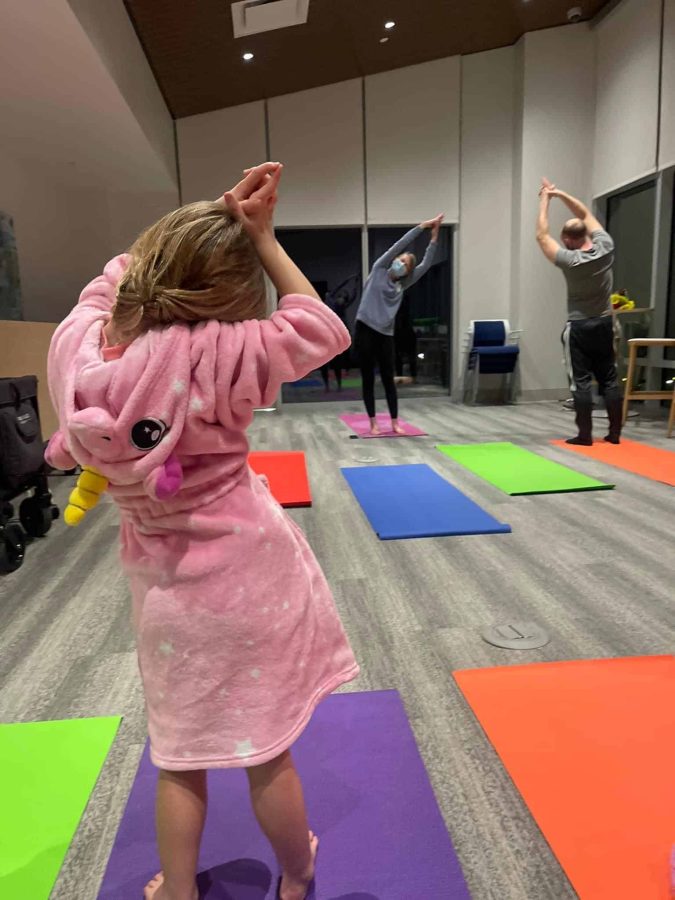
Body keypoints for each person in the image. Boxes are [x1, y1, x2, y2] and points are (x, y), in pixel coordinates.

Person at [46, 162, 359, 900]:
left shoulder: (76, 349)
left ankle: (179, 890)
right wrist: (259, 237)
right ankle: (296, 872)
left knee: (178, 756)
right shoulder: (220, 353)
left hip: (163, 597)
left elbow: (112, 280)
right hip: (251, 581)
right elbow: (321, 326)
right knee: (267, 754)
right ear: (226, 301)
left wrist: (189, 235)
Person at [536, 177, 622, 445]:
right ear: (586, 235)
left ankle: (584, 435)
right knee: (609, 378)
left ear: (566, 240)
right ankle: (614, 434)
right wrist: (559, 192)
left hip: (580, 326)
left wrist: (544, 201)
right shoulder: (606, 247)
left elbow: (541, 236)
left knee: (581, 380)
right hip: (605, 323)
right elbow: (584, 213)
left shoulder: (569, 260)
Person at [354, 215, 443, 435]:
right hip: (365, 328)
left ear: (408, 271)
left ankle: (394, 422)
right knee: (367, 379)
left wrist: (434, 237)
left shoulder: (403, 284)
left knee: (388, 379)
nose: (401, 263)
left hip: (385, 334)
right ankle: (373, 423)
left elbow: (425, 264)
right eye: (401, 260)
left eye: (406, 264)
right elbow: (399, 245)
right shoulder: (379, 270)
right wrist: (421, 227)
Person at [394, 297, 418, 385]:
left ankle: (404, 376)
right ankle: (411, 376)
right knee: (404, 356)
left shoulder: (399, 311)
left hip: (403, 332)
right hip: (403, 332)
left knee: (402, 356)